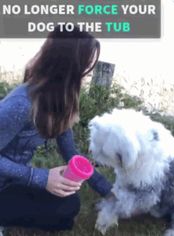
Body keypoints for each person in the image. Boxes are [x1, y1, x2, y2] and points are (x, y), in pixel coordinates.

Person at [0, 26, 111, 231]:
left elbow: (71, 154)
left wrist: (111, 193)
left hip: (11, 182)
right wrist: (40, 178)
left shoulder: (58, 101)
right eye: (86, 64)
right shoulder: (21, 104)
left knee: (68, 206)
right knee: (58, 212)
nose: (88, 73)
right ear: (68, 65)